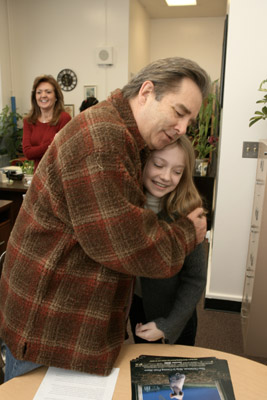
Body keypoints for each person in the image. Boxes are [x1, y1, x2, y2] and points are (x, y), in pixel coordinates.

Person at [0, 57, 210, 381]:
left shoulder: (125, 138)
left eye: (189, 121)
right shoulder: (101, 139)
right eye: (179, 112)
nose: (183, 129)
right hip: (49, 332)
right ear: (146, 92)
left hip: (67, 328)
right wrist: (188, 232)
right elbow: (130, 246)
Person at [129, 136, 207, 345]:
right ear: (143, 161)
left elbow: (195, 280)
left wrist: (169, 325)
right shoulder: (126, 208)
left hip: (176, 315)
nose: (166, 176)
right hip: (139, 306)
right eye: (158, 165)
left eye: (177, 171)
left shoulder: (188, 214)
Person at [22, 74, 71, 171]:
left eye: (48, 92)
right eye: (39, 92)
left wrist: (38, 149)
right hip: (38, 176)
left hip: (58, 174)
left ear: (56, 96)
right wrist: (52, 143)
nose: (43, 95)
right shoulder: (28, 121)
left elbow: (62, 151)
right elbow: (27, 153)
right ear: (35, 97)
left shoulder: (64, 118)